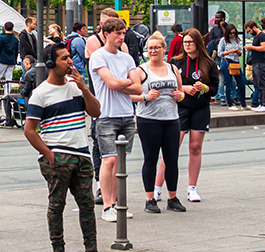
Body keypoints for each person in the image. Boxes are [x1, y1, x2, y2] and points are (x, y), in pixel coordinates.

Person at [23, 42, 101, 252]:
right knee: (57, 205)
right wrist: (48, 155)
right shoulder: (41, 93)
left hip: (82, 155)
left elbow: (96, 112)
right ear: (51, 63)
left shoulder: (76, 87)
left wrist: (84, 88)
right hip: (58, 156)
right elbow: (29, 130)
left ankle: (91, 248)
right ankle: (58, 247)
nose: (69, 61)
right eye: (64, 58)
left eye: (69, 57)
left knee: (87, 205)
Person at [87, 18, 141, 222]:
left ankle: (118, 204)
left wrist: (122, 83)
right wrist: (127, 82)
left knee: (121, 162)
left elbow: (138, 87)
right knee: (108, 159)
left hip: (126, 114)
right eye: (117, 33)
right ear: (106, 34)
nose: (121, 37)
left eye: (123, 33)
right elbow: (110, 83)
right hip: (106, 114)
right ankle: (107, 204)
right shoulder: (98, 56)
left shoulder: (127, 58)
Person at [129, 32, 187, 214]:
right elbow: (129, 95)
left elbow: (180, 90)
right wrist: (146, 96)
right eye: (150, 48)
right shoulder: (141, 71)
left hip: (171, 119)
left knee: (172, 159)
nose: (153, 51)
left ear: (164, 49)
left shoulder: (172, 68)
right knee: (150, 159)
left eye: (156, 48)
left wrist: (181, 95)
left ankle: (172, 197)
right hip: (149, 120)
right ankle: (150, 199)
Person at [172, 29, 217, 204]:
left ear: (198, 43)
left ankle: (192, 188)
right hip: (180, 108)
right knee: (172, 148)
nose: (187, 45)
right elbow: (169, 85)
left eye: (190, 42)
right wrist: (183, 88)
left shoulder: (209, 63)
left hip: (200, 108)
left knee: (195, 147)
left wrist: (204, 88)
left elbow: (214, 88)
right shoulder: (176, 62)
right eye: (185, 42)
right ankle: (159, 187)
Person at [246, 20, 265, 112]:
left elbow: (264, 47)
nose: (249, 33)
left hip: (261, 63)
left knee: (262, 83)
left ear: (254, 27)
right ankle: (261, 103)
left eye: (250, 31)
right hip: (256, 63)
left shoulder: (262, 36)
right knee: (257, 84)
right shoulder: (256, 37)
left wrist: (252, 48)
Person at [217, 27, 245, 111]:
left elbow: (241, 52)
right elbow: (219, 53)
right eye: (231, 33)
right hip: (227, 62)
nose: (232, 35)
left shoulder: (237, 40)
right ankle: (230, 103)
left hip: (236, 62)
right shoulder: (223, 40)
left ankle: (243, 103)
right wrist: (229, 52)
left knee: (241, 83)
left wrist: (239, 52)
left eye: (234, 33)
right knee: (228, 83)